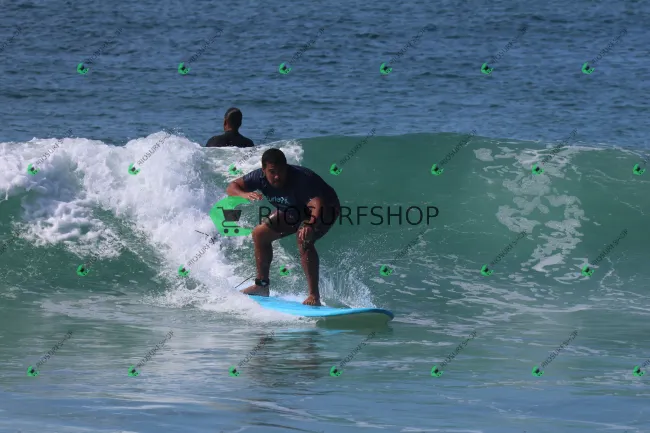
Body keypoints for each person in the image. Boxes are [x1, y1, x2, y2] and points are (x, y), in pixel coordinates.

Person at [225, 148, 341, 306]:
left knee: (304, 238)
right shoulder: (258, 177)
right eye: (272, 172)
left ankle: (314, 296)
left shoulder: (301, 179)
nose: (277, 176)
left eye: (280, 171)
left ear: (286, 168)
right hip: (294, 209)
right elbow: (232, 186)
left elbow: (316, 203)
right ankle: (261, 286)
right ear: (264, 170)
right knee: (260, 234)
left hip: (325, 208)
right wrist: (243, 194)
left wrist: (310, 224)